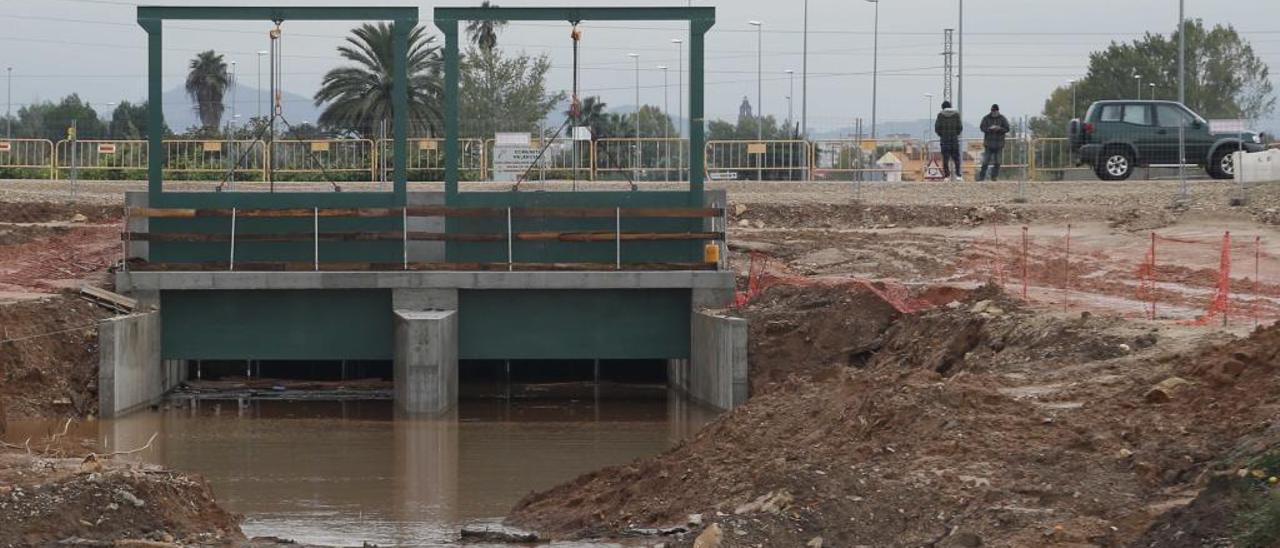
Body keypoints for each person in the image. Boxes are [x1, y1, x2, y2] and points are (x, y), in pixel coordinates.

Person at [977, 103, 1011, 182]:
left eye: (995, 111)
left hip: (999, 144)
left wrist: (999, 129)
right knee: (985, 162)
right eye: (993, 111)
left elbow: (1007, 129)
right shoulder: (986, 118)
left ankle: (994, 177)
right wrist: (989, 129)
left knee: (998, 162)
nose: (994, 113)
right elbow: (982, 128)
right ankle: (981, 177)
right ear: (991, 111)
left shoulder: (1002, 118)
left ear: (998, 111)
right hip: (988, 144)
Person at [934, 100, 963, 182]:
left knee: (945, 159)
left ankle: (946, 176)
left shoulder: (940, 115)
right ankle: (958, 175)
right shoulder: (956, 115)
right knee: (956, 158)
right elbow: (960, 128)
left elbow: (937, 128)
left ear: (943, 107)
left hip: (944, 140)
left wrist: (942, 135)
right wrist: (955, 134)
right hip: (954, 139)